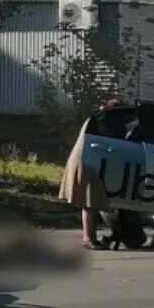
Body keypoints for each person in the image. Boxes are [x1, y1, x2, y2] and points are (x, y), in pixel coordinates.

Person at [59, 97, 119, 249]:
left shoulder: (97, 116)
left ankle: (90, 238)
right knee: (89, 202)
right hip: (86, 161)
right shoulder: (103, 119)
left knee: (90, 202)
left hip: (87, 159)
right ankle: (89, 239)